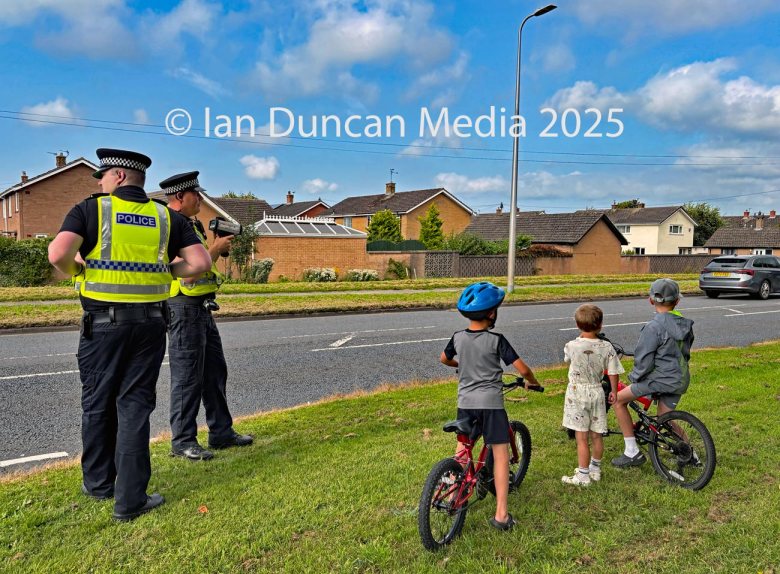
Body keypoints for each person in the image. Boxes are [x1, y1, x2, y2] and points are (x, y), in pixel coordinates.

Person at [48, 148, 211, 522]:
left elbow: (58, 254)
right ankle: (131, 499)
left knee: (97, 402)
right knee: (135, 404)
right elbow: (200, 263)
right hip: (151, 323)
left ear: (119, 176)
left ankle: (98, 483)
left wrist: (78, 270)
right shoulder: (166, 217)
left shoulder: (92, 210)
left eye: (103, 176)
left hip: (103, 325)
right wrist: (167, 272)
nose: (101, 183)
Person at [160, 172, 253, 462]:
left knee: (214, 372)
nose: (200, 198)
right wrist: (215, 249)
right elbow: (183, 271)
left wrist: (213, 247)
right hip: (182, 307)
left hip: (201, 307)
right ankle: (183, 441)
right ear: (180, 196)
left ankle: (221, 432)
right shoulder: (168, 225)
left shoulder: (192, 224)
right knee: (187, 376)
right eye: (195, 194)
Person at [440, 281, 541, 531]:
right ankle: (501, 515)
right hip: (492, 406)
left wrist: (461, 365)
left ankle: (452, 496)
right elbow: (522, 369)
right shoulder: (497, 340)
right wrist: (532, 382)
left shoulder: (458, 337)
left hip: (465, 404)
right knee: (501, 455)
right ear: (492, 313)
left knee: (463, 449)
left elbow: (444, 359)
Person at [612, 278, 694, 468]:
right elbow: (685, 352)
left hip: (660, 380)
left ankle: (631, 452)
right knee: (666, 420)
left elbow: (644, 360)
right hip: (679, 378)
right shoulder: (686, 325)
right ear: (677, 301)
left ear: (651, 300)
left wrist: (634, 378)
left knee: (618, 400)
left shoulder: (653, 327)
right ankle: (691, 455)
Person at [561, 304, 623, 486]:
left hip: (577, 393)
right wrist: (613, 391)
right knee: (597, 434)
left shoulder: (571, 345)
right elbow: (613, 372)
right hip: (597, 391)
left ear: (577, 325)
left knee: (581, 437)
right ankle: (595, 468)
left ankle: (583, 475)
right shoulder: (607, 347)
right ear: (600, 325)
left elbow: (567, 359)